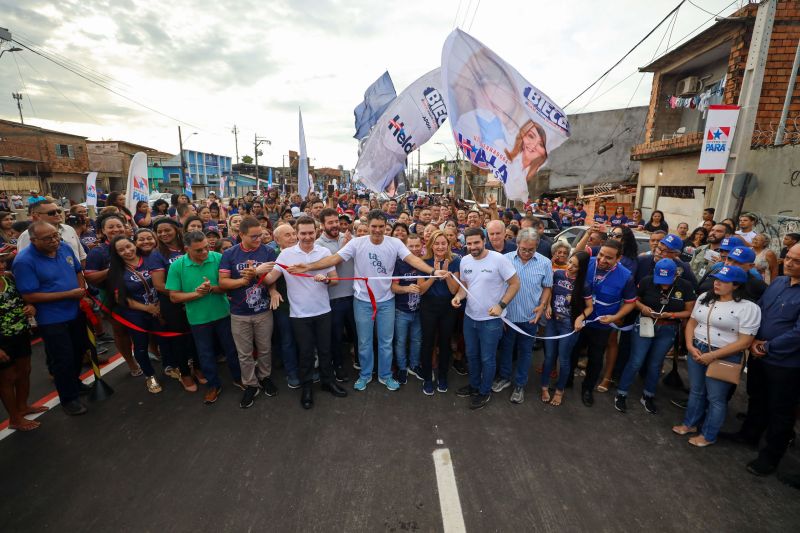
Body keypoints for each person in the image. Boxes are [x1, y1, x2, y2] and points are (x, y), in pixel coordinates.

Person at [287, 210, 449, 392]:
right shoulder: (357, 243)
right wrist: (308, 266)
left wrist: (432, 272)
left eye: (381, 227)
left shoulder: (394, 243)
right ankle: (365, 374)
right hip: (362, 301)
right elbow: (334, 258)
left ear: (385, 226)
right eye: (374, 227)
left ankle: (385, 375)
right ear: (368, 226)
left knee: (386, 341)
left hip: (387, 301)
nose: (378, 230)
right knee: (364, 342)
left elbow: (412, 259)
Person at [257, 216, 347, 409]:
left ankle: (328, 381)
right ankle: (307, 387)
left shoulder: (324, 251)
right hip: (299, 314)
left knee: (325, 349)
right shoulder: (286, 254)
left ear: (316, 232)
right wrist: (257, 272)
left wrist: (326, 280)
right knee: (305, 353)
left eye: (310, 233)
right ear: (297, 234)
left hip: (323, 310)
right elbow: (270, 278)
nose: (307, 237)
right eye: (303, 233)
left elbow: (335, 280)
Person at [672, 265, 760, 447]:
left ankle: (709, 435)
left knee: (716, 398)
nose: (717, 283)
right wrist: (689, 345)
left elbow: (744, 342)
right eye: (716, 279)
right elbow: (692, 323)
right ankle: (690, 424)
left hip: (724, 356)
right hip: (697, 349)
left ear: (736, 285)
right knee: (696, 390)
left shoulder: (748, 308)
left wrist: (713, 355)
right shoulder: (705, 298)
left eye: (723, 281)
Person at [13, 221, 89, 416]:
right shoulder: (24, 260)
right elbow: (29, 295)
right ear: (33, 240)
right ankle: (68, 398)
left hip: (75, 310)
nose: (54, 241)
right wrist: (69, 294)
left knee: (80, 349)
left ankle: (74, 383)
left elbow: (78, 271)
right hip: (52, 317)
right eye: (48, 239)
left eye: (56, 235)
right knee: (62, 358)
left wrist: (81, 292)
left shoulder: (64, 247)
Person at [742, 243, 800, 477]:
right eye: (788, 258)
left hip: (786, 364)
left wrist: (766, 346)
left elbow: (797, 333)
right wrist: (753, 338)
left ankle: (770, 457)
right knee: (757, 397)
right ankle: (749, 435)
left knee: (780, 411)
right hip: (759, 353)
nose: (788, 263)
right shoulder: (778, 282)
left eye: (796, 261)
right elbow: (760, 310)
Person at [165, 231, 242, 405]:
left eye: (207, 247)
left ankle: (239, 378)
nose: (205, 252)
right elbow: (174, 297)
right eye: (199, 250)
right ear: (186, 249)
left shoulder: (218, 258)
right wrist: (196, 294)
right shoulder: (177, 266)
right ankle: (213, 385)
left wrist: (212, 288)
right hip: (198, 319)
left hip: (224, 314)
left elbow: (228, 287)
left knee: (231, 349)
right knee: (205, 354)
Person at [614, 259, 696, 414]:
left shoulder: (685, 286)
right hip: (645, 323)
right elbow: (634, 300)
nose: (663, 285)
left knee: (655, 364)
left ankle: (648, 395)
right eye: (660, 280)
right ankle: (621, 393)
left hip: (667, 328)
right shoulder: (647, 281)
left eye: (667, 281)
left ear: (676, 275)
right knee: (636, 361)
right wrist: (643, 307)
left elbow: (689, 312)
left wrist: (671, 315)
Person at [452, 227, 521, 410]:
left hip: (491, 321)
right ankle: (474, 385)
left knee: (487, 358)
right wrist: (458, 297)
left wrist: (501, 305)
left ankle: (484, 392)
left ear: (484, 241)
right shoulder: (465, 260)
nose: (473, 246)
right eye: (469, 243)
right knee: (471, 355)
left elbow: (515, 284)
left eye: (476, 242)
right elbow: (465, 286)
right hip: (470, 317)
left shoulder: (499, 260)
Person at [218, 216, 279, 408]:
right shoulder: (230, 254)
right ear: (241, 234)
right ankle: (251, 384)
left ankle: (265, 377)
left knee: (265, 348)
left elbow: (270, 280)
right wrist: (244, 281)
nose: (258, 239)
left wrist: (260, 275)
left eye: (260, 235)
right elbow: (223, 283)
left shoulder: (268, 251)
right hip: (239, 312)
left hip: (263, 310)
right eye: (253, 237)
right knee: (244, 353)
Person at [573, 240, 637, 407]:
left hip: (601, 324)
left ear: (618, 258)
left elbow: (630, 302)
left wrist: (615, 317)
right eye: (600, 254)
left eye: (608, 258)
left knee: (595, 358)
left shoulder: (626, 276)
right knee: (572, 351)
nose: (602, 260)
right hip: (579, 319)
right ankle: (565, 382)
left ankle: (587, 389)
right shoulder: (588, 263)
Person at [495, 229, 552, 404]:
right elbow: (498, 286)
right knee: (506, 348)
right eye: (523, 249)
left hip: (530, 317)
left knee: (525, 352)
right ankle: (504, 377)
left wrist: (542, 306)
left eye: (531, 249)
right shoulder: (505, 259)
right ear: (517, 244)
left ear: (537, 247)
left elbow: (547, 287)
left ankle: (520, 384)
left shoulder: (545, 263)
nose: (527, 253)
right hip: (508, 316)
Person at [105, 235, 164, 394]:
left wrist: (158, 305)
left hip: (158, 308)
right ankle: (150, 376)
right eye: (121, 250)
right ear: (116, 253)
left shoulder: (150, 260)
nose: (127, 251)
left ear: (134, 244)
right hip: (136, 314)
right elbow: (121, 298)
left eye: (129, 246)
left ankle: (171, 366)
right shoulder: (115, 271)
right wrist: (148, 309)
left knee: (165, 340)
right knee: (141, 346)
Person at [542, 251, 591, 407]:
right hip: (552, 321)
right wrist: (548, 305)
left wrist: (580, 318)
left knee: (564, 359)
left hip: (568, 326)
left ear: (582, 268)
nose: (570, 267)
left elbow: (590, 307)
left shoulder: (584, 285)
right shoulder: (558, 275)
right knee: (549, 357)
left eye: (575, 266)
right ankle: (544, 387)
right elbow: (549, 290)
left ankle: (559, 391)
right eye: (570, 262)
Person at [0, 251, 42, 430]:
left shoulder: (9, 277)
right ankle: (14, 419)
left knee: (25, 370)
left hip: (20, 332)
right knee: (7, 378)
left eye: (2, 261)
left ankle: (23, 406)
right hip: (2, 340)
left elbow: (26, 298)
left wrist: (31, 306)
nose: (2, 266)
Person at [416, 230, 461, 395]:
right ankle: (428, 378)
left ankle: (443, 376)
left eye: (443, 243)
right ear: (431, 245)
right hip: (428, 307)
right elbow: (420, 290)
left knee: (445, 342)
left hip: (448, 308)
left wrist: (447, 275)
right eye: (437, 243)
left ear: (448, 245)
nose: (440, 246)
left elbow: (454, 290)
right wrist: (433, 275)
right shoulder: (424, 262)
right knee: (427, 343)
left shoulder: (455, 261)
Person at [316, 208, 355, 382]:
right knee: (336, 336)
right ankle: (338, 365)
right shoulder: (318, 245)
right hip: (333, 298)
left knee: (356, 333)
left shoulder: (348, 238)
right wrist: (343, 248)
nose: (334, 225)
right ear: (322, 224)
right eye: (330, 222)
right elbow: (329, 267)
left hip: (354, 296)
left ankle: (361, 362)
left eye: (336, 222)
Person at [391, 233, 424, 386]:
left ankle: (414, 365)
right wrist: (406, 288)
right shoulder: (399, 264)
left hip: (419, 311)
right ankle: (402, 367)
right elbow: (393, 286)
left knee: (417, 340)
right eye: (411, 246)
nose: (415, 249)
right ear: (405, 247)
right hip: (402, 310)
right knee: (400, 341)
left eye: (418, 245)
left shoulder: (424, 263)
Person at [16, 200, 87, 264]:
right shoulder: (28, 235)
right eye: (51, 213)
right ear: (37, 215)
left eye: (58, 211)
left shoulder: (69, 229)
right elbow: (25, 262)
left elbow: (81, 256)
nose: (57, 214)